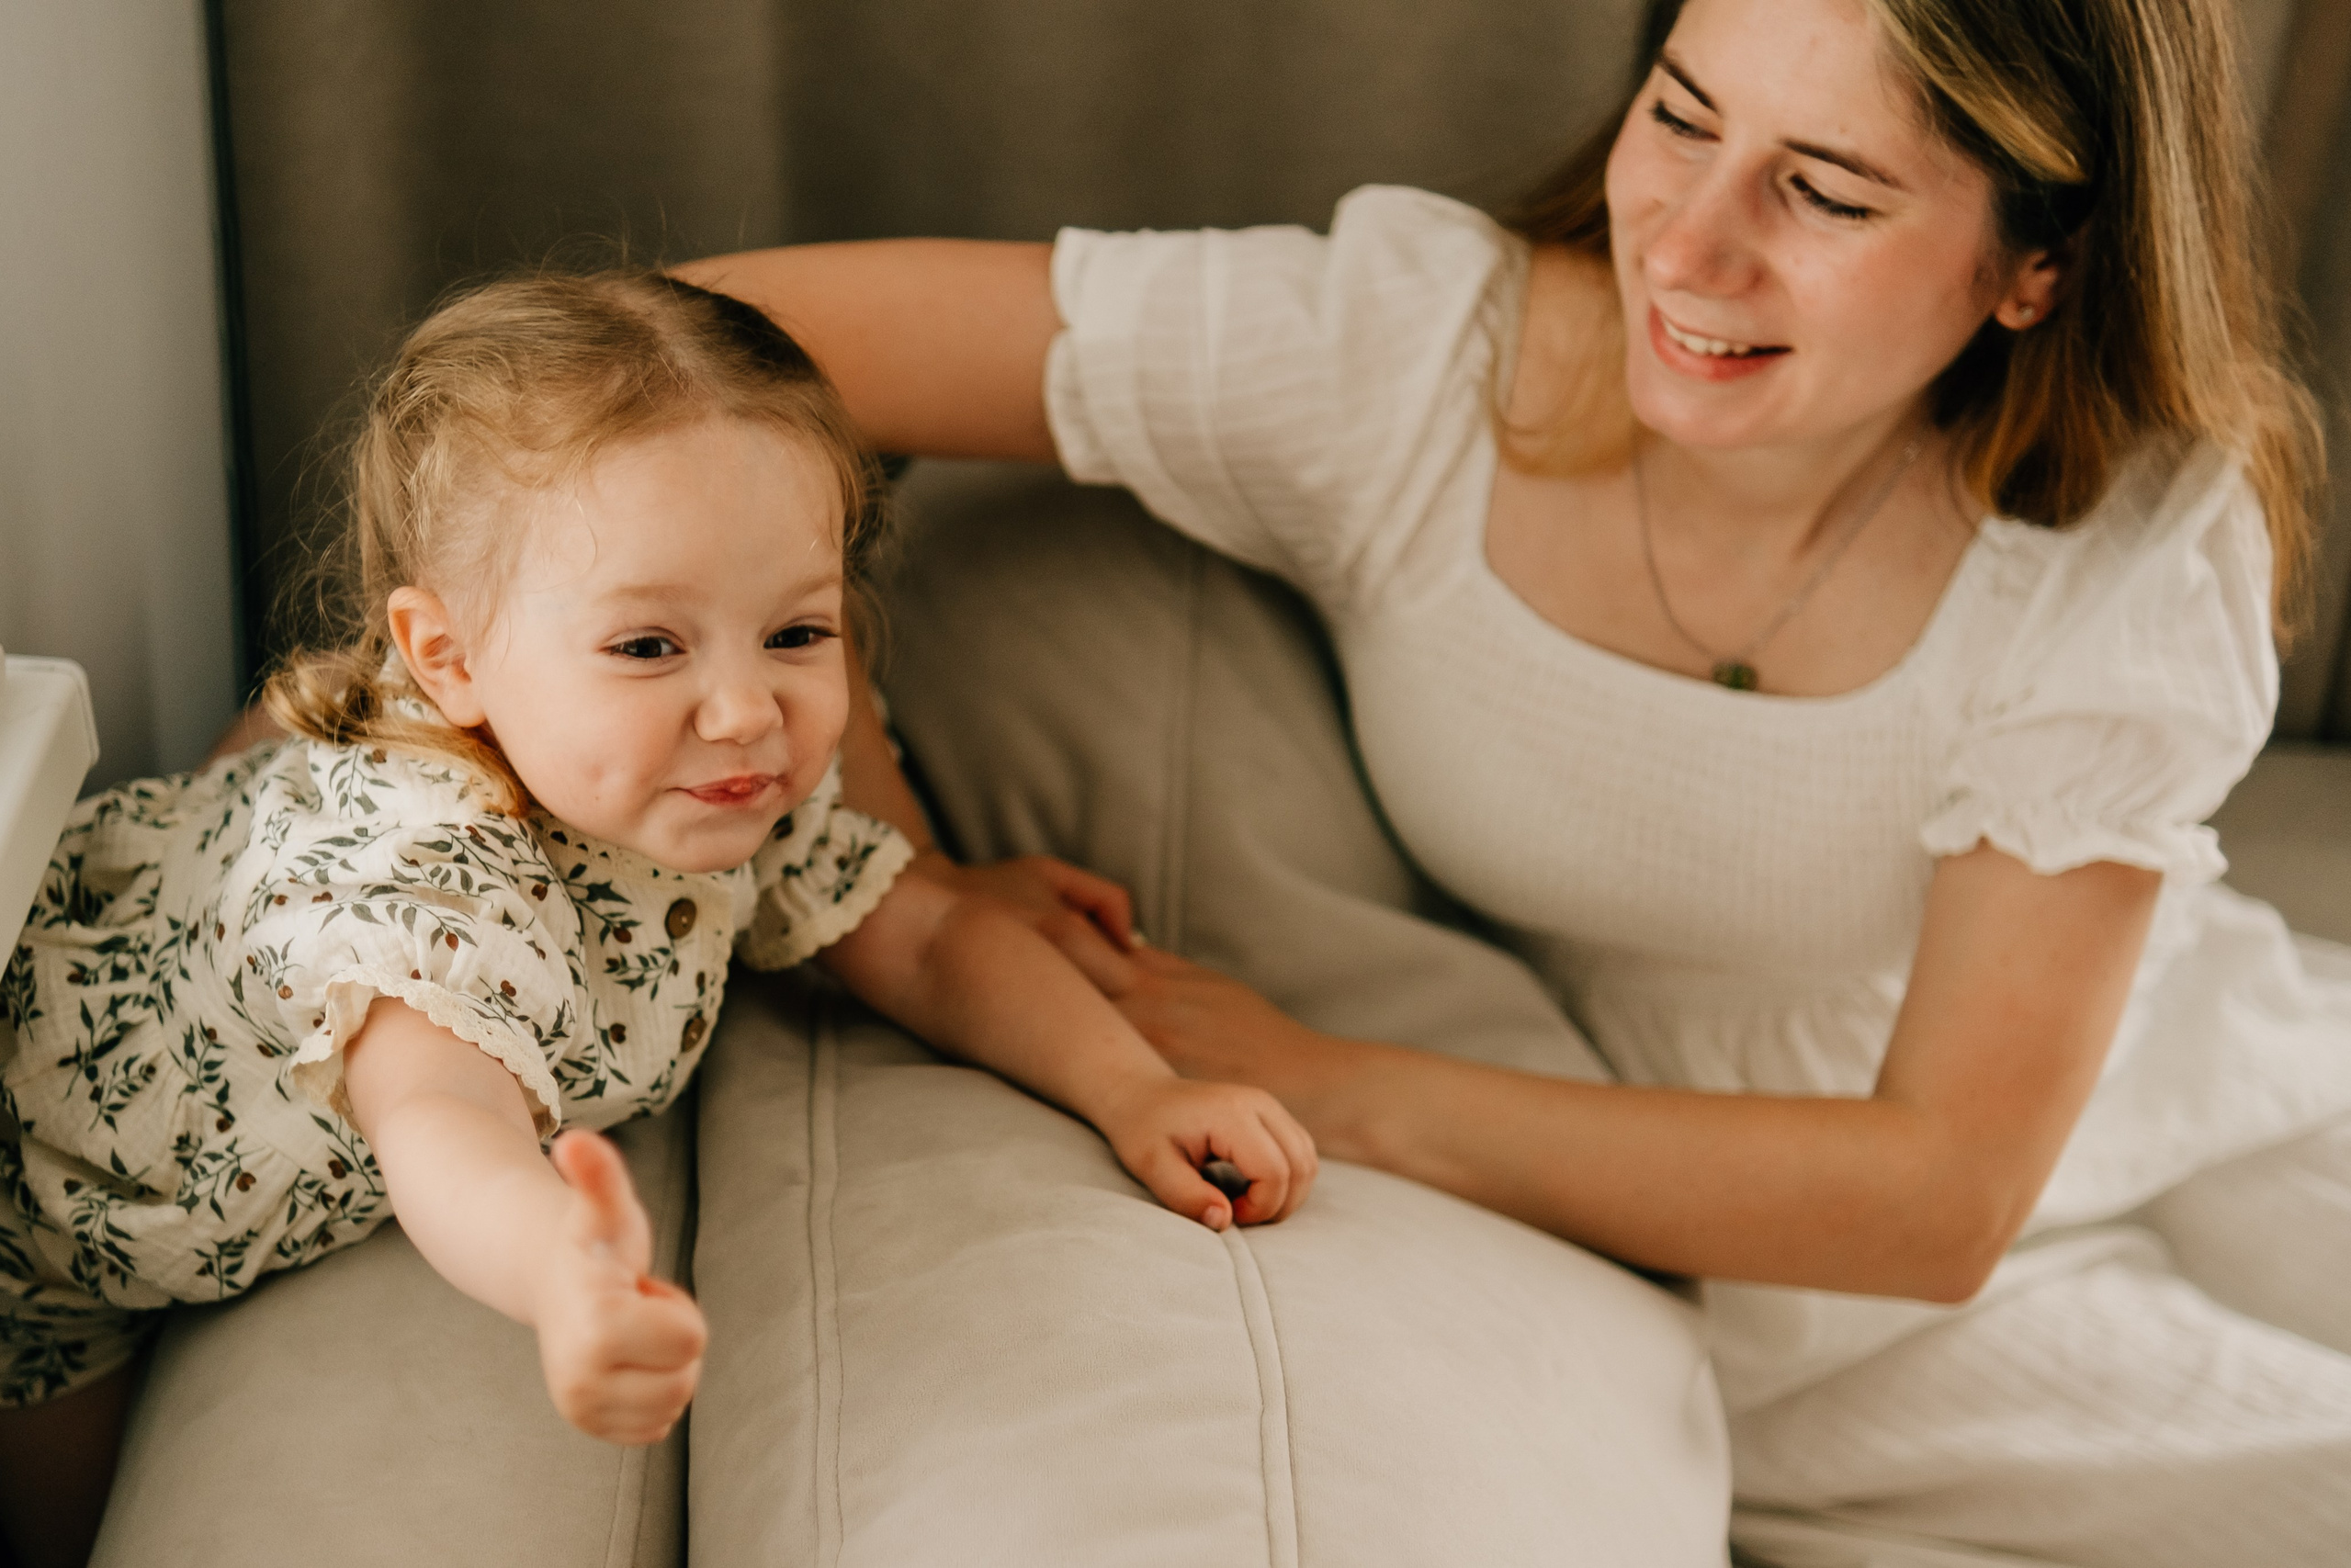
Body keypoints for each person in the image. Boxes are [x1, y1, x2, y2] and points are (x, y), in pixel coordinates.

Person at [676, 0, 2351, 1561]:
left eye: (1825, 193)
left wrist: (1336, 1086)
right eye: (1681, 117)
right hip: (1794, 1263)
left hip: (2164, 1073)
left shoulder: (2129, 541)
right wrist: (883, 861)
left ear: (2034, 270)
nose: (1687, 248)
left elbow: (1942, 1187)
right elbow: (701, 349)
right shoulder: (1408, 363)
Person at [0, 269, 1314, 1568]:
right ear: (449, 659)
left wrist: (1134, 1089)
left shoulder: (715, 784)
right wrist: (561, 1278)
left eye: (796, 632)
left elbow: (919, 935)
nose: (746, 708)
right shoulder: (431, 876)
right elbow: (438, 1120)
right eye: (648, 648)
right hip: (44, 1212)